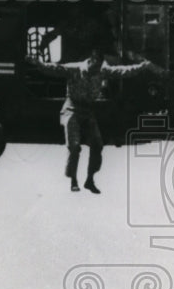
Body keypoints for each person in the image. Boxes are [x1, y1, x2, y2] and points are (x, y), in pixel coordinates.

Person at [27, 48, 163, 193]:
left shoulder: (102, 70)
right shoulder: (75, 69)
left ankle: (90, 180)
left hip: (88, 111)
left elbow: (123, 71)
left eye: (99, 68)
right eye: (95, 67)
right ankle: (73, 179)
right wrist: (38, 63)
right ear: (90, 62)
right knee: (74, 146)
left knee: (97, 145)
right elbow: (54, 68)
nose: (97, 71)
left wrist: (142, 66)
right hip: (72, 109)